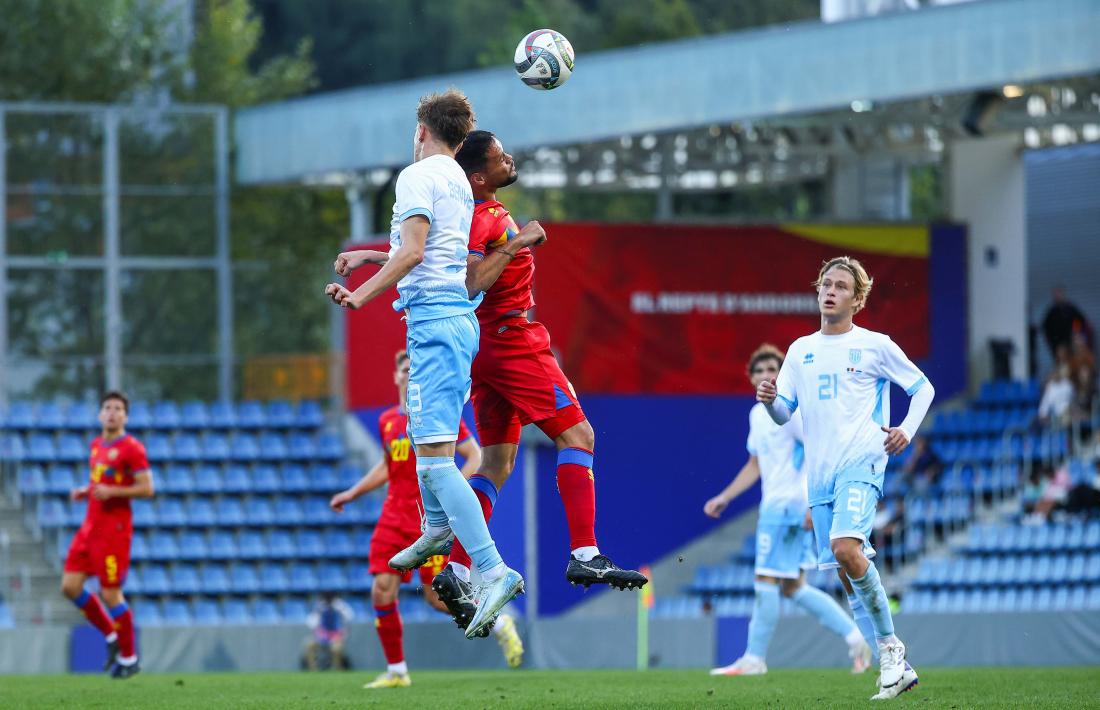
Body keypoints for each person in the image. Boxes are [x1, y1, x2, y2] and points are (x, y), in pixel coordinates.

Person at [425, 130, 648, 631]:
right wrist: (521, 241)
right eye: (502, 156)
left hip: (486, 350)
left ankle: (458, 568)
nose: (512, 158)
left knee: (497, 463)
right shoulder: (481, 218)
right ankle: (586, 552)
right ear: (479, 175)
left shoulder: (469, 215)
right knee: (580, 436)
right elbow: (470, 283)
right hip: (512, 342)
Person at [325, 89, 522, 640]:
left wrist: (360, 296)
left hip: (433, 324)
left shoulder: (416, 177)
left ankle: (492, 569)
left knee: (435, 464)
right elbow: (430, 253)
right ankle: (436, 529)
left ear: (420, 131)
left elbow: (413, 254)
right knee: (428, 447)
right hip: (453, 319)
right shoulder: (458, 180)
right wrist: (369, 257)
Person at [757, 256, 934, 700]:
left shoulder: (876, 345)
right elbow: (784, 416)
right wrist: (771, 400)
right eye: (826, 284)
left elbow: (922, 388)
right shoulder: (799, 350)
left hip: (863, 461)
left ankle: (891, 648)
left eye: (841, 286)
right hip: (820, 474)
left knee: (845, 548)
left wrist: (906, 431)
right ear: (818, 291)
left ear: (857, 299)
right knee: (842, 567)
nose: (831, 291)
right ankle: (895, 668)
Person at [329, 351, 523, 688]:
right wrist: (353, 492)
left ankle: (500, 623)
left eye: (413, 369)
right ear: (395, 377)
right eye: (403, 369)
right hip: (393, 517)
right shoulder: (388, 420)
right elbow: (387, 466)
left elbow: (475, 455)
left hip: (427, 519)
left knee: (438, 599)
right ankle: (397, 670)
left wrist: (451, 494)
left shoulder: (437, 416)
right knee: (382, 589)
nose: (408, 374)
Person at [704, 344, 871, 677]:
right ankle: (856, 638)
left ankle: (754, 658)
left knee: (765, 578)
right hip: (776, 506)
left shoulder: (789, 412)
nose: (767, 375)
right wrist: (726, 496)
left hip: (787, 507)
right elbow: (755, 465)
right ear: (751, 378)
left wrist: (812, 500)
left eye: (773, 370)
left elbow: (815, 451)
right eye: (761, 370)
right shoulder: (756, 415)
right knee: (793, 586)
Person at [60, 391, 153, 679]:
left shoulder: (132, 448)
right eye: (107, 407)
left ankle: (129, 658)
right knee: (70, 587)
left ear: (126, 416)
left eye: (118, 408)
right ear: (100, 414)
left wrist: (114, 492)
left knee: (110, 592)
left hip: (114, 532)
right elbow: (100, 481)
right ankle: (112, 637)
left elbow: (147, 489)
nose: (112, 412)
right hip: (90, 528)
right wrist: (85, 491)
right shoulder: (96, 445)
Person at [303, 592, 355, 671]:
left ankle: (336, 668)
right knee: (309, 644)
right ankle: (313, 669)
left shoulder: (340, 606)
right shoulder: (320, 607)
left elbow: (350, 618)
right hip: (323, 635)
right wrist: (317, 631)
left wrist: (343, 634)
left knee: (336, 648)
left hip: (336, 635)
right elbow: (311, 622)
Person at [1041, 287, 1090, 360]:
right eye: (1055, 295)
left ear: (1063, 294)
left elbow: (1080, 320)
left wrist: (1076, 331)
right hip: (1058, 343)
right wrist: (1051, 340)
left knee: (1073, 360)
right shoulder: (1052, 311)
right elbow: (1045, 326)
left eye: (1059, 294)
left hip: (1071, 341)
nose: (1057, 296)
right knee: (1062, 363)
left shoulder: (1070, 308)